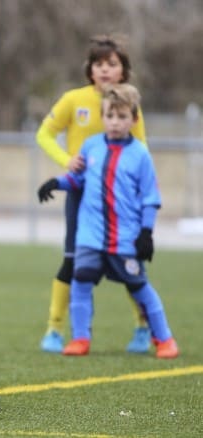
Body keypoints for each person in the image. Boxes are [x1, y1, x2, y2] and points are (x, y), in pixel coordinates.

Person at [37, 83, 179, 359]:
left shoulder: (140, 155)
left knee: (138, 286)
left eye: (122, 117)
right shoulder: (91, 146)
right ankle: (80, 339)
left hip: (125, 237)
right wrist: (56, 183)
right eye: (110, 116)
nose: (115, 122)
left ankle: (164, 339)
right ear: (103, 117)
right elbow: (78, 179)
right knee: (81, 280)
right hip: (90, 235)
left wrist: (146, 232)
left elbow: (150, 197)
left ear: (134, 120)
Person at [35, 34, 151, 354]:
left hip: (120, 199)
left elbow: (141, 152)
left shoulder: (130, 107)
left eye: (111, 64)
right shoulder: (74, 100)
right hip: (81, 194)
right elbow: (44, 134)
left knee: (130, 262)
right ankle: (55, 329)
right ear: (90, 70)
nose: (104, 70)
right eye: (98, 64)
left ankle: (144, 328)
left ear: (123, 71)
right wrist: (66, 162)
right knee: (72, 260)